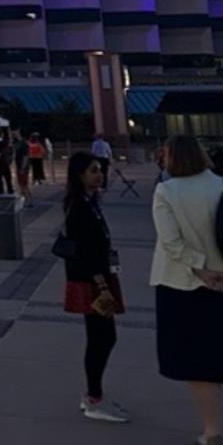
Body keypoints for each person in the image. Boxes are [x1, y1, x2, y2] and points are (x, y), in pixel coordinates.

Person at [152, 134, 223, 445]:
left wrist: (200, 268)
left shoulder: (167, 192)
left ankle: (212, 431)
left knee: (200, 363)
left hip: (185, 287)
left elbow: (171, 241)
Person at [62, 151, 128, 423]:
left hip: (97, 276)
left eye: (100, 170)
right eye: (93, 170)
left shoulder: (89, 202)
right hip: (93, 279)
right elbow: (85, 250)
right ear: (79, 175)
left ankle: (94, 394)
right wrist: (101, 283)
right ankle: (94, 397)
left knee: (101, 336)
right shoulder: (79, 206)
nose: (99, 175)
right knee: (102, 336)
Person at [13, 130, 34, 207]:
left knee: (24, 184)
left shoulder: (23, 144)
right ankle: (24, 200)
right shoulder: (19, 143)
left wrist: (22, 167)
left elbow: (26, 156)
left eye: (17, 132)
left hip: (22, 166)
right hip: (20, 166)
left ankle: (29, 200)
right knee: (21, 184)